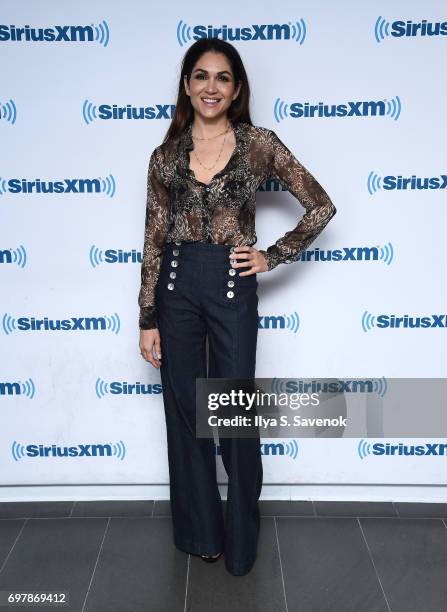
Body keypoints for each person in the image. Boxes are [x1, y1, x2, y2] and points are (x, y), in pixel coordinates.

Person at [138, 37, 336, 576]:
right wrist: (147, 318)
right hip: (175, 287)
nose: (211, 87)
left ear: (237, 88)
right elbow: (154, 240)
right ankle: (201, 532)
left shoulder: (257, 145)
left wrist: (272, 255)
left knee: (232, 413)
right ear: (186, 85)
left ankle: (242, 538)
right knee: (184, 415)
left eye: (222, 78)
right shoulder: (166, 157)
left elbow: (321, 204)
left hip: (230, 286)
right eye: (201, 76)